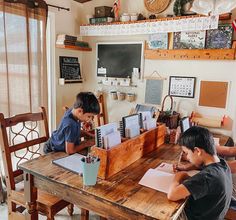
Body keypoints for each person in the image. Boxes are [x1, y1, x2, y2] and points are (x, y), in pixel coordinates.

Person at [168, 126, 232, 220]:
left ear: (197, 151)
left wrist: (178, 176)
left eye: (187, 153)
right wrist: (186, 168)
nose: (187, 158)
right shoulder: (222, 164)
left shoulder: (207, 177)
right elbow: (200, 164)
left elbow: (172, 195)